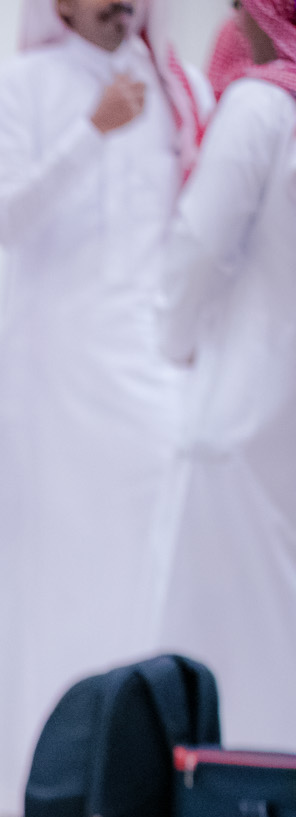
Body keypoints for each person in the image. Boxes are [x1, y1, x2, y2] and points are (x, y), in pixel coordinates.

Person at [0, 0, 210, 815]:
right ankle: (48, 782)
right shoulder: (25, 82)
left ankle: (140, 782)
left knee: (149, 564)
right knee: (58, 572)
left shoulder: (174, 87)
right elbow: (4, 215)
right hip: (57, 368)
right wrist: (91, 131)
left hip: (151, 363)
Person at [154, 0, 296, 750]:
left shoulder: (262, 107)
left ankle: (235, 813)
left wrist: (174, 339)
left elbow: (200, 244)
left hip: (243, 413)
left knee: (227, 652)